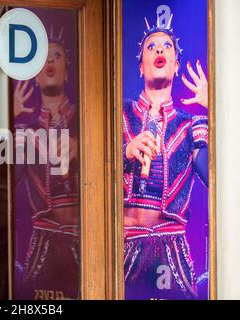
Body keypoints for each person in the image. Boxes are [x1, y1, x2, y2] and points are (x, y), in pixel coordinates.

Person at [122, 14, 209, 299]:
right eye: (151, 47)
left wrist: (216, 109)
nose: (159, 50)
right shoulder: (118, 116)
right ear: (140, 66)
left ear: (176, 64)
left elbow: (216, 179)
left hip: (171, 250)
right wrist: (125, 152)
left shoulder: (191, 125)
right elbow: (87, 176)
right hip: (123, 246)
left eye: (166, 47)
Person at [14, 27, 79, 300]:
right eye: (43, 58)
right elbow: (4, 183)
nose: (50, 62)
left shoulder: (86, 123)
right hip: (43, 247)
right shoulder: (24, 131)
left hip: (84, 244)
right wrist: (9, 116)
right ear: (35, 74)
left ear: (68, 69)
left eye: (57, 56)